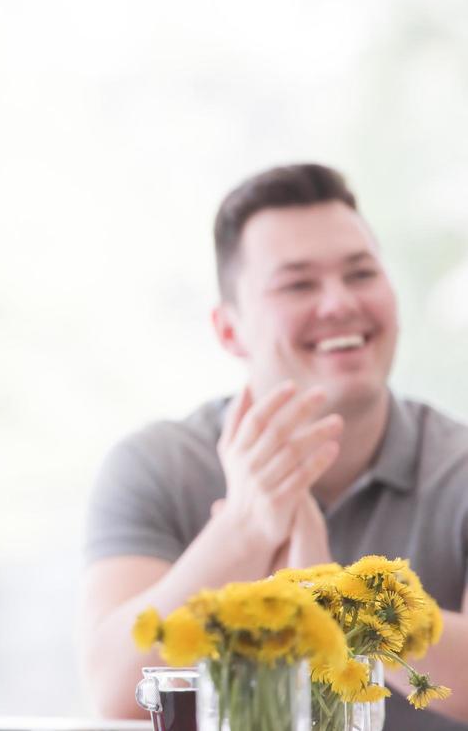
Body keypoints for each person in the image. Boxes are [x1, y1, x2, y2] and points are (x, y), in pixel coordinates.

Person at [81, 163, 468, 730]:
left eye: (361, 274)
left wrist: (336, 595)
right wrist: (242, 529)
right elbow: (116, 693)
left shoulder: (458, 468)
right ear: (229, 330)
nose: (339, 303)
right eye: (298, 284)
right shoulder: (156, 465)